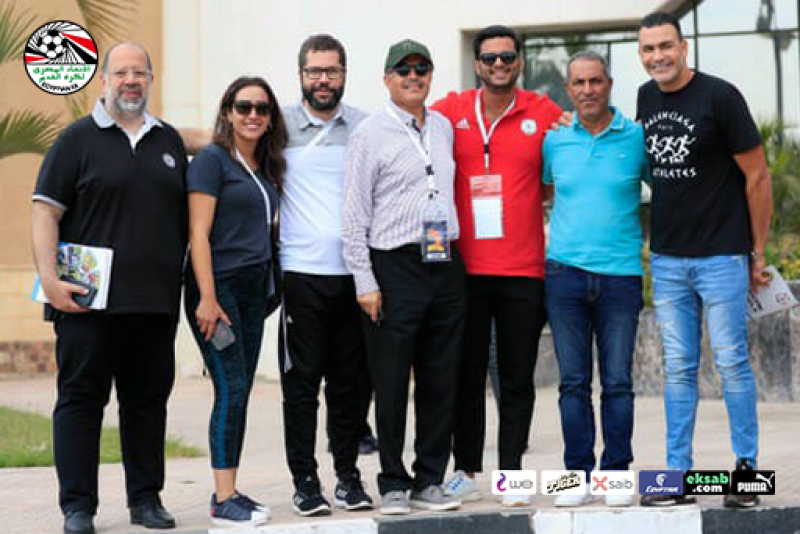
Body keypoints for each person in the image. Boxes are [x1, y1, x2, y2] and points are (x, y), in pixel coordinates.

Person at [31, 42, 187, 534]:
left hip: (155, 306)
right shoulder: (76, 140)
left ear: (151, 78)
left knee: (146, 407)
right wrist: (51, 283)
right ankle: (78, 508)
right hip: (86, 307)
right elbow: (44, 212)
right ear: (104, 79)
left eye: (139, 72)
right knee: (80, 404)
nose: (130, 81)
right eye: (121, 73)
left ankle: (146, 501)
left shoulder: (170, 142)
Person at [635, 12, 772, 508]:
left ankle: (747, 473)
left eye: (665, 46)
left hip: (722, 256)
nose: (658, 57)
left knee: (733, 362)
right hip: (669, 258)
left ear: (684, 46)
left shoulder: (721, 96)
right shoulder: (645, 98)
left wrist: (757, 253)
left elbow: (758, 178)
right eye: (648, 49)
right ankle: (677, 475)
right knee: (677, 368)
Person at [432, 25, 562, 507]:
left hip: (523, 270)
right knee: (464, 374)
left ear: (520, 62)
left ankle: (513, 475)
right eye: (490, 58)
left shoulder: (544, 113)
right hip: (464, 270)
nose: (499, 65)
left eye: (508, 57)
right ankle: (465, 469)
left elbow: (557, 174)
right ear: (478, 64)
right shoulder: (450, 111)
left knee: (516, 377)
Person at [342, 39, 465, 516]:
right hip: (393, 264)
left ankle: (428, 479)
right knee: (391, 380)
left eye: (422, 68)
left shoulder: (442, 127)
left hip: (444, 262)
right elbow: (354, 214)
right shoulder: (370, 134)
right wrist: (364, 282)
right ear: (387, 78)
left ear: (431, 75)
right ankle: (393, 481)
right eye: (403, 70)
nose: (413, 76)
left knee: (441, 377)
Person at [542, 51, 649, 508]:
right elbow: (546, 191)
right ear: (568, 90)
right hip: (564, 275)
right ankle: (576, 473)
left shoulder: (637, 137)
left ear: (609, 84)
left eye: (595, 81)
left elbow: (669, 189)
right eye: (578, 83)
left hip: (620, 277)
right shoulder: (554, 141)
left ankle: (616, 473)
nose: (587, 90)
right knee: (572, 383)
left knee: (618, 381)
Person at [183, 76, 286, 526]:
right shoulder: (211, 161)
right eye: (243, 107)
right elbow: (198, 234)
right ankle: (223, 500)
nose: (252, 115)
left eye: (262, 109)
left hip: (251, 290)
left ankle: (231, 491)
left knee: (238, 390)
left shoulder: (264, 167)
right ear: (227, 112)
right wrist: (207, 297)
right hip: (218, 290)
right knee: (233, 388)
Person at [278, 34, 373, 516]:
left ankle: (348, 478)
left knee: (349, 385)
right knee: (302, 387)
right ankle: (305, 482)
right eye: (314, 71)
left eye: (331, 71)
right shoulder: (277, 126)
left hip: (355, 277)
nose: (322, 80)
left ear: (343, 75)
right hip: (301, 276)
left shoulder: (365, 126)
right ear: (301, 75)